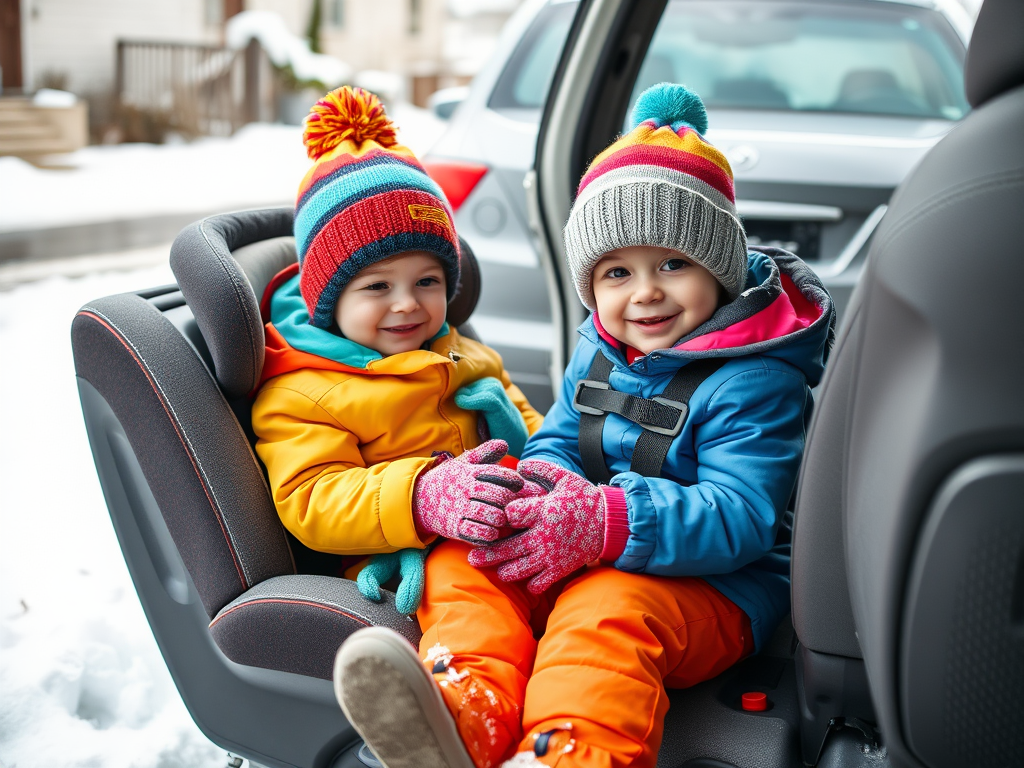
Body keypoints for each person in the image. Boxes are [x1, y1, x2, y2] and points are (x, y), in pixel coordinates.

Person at [333, 83, 835, 768]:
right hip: (592, 537)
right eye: (617, 272)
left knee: (606, 609)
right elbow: (565, 437)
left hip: (721, 586)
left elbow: (740, 515)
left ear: (718, 270)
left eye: (674, 264)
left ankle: (571, 752)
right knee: (466, 555)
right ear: (592, 286)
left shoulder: (756, 381)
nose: (646, 292)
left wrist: (604, 522)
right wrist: (541, 491)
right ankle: (466, 707)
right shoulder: (600, 348)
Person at [251, 85, 544, 619]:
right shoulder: (302, 391)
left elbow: (528, 418)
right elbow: (313, 498)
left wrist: (549, 467)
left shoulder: (461, 350)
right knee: (476, 618)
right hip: (411, 562)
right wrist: (421, 498)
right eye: (377, 287)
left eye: (427, 281)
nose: (408, 304)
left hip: (510, 526)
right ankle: (466, 691)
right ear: (329, 299)